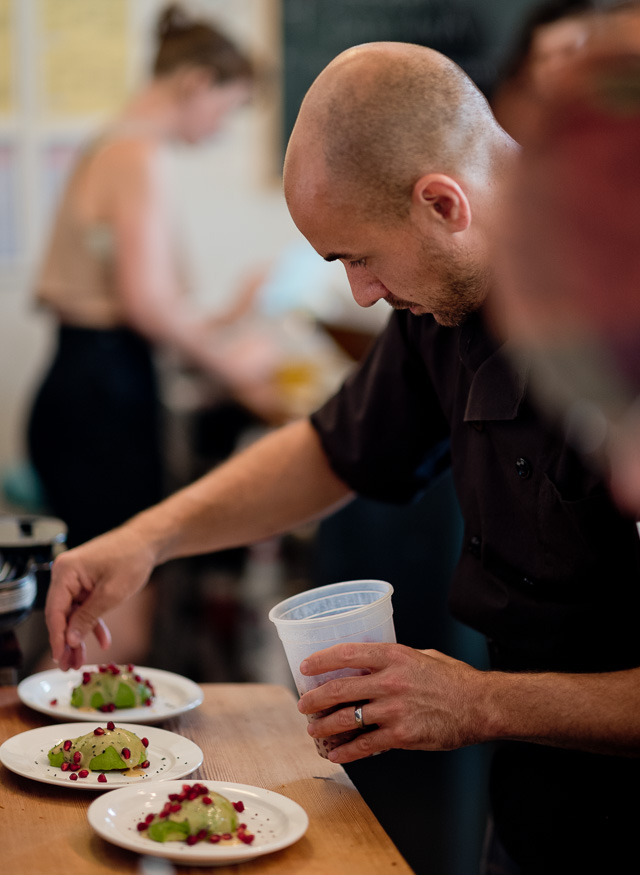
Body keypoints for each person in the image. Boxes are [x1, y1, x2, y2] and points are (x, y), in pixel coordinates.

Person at [44, 42, 640, 874]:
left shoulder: (617, 296)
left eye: (357, 257)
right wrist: (148, 538)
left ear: (443, 202)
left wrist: (482, 700)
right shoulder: (447, 296)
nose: (359, 292)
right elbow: (336, 448)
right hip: (537, 804)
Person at [27, 3, 254, 551]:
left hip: (85, 382)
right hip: (102, 397)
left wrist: (226, 315)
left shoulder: (113, 142)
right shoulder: (136, 153)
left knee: (93, 597)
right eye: (229, 108)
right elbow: (145, 303)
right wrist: (235, 366)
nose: (222, 128)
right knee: (116, 620)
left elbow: (125, 290)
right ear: (198, 83)